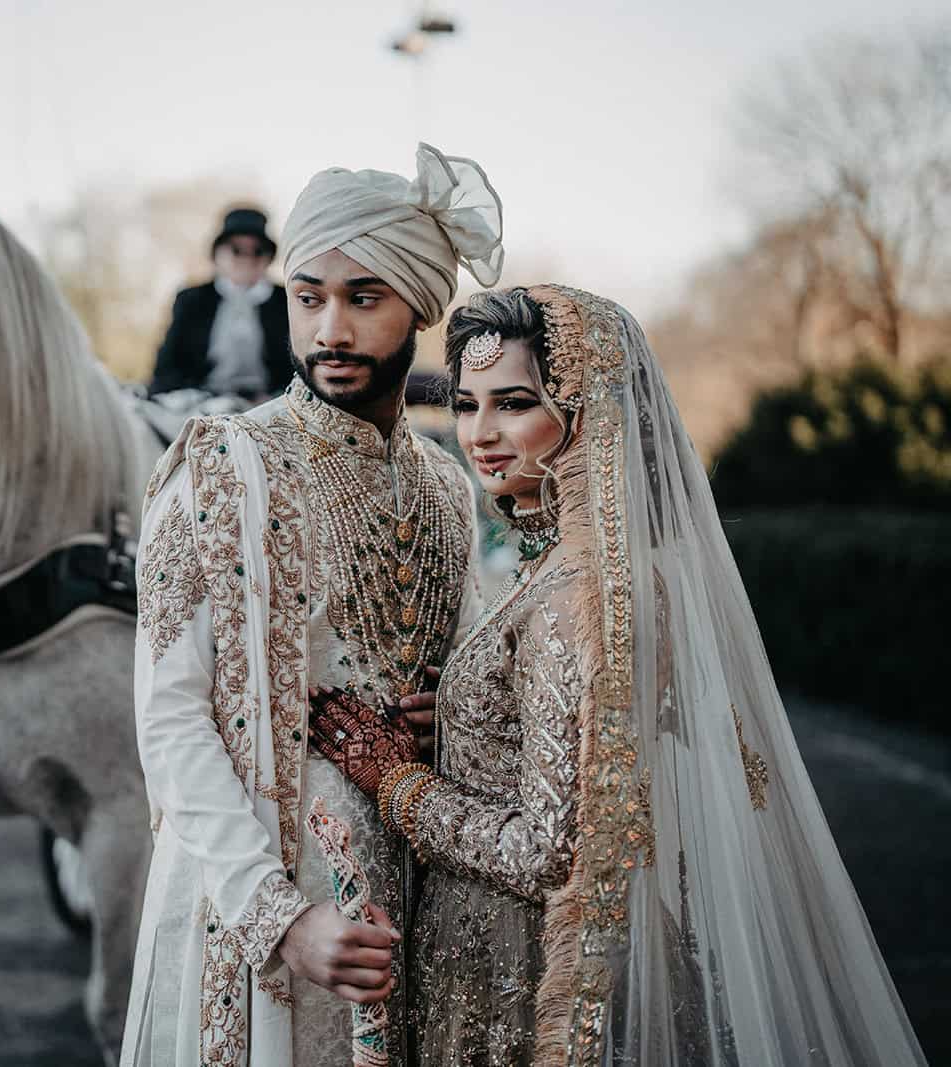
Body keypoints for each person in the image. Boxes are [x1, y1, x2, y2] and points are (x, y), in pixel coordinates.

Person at [307, 286, 929, 1065]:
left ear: (586, 413)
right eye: (466, 405)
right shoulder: (572, 569)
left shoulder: (579, 593)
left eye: (514, 403)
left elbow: (549, 850)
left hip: (523, 976)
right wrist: (465, 726)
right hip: (503, 952)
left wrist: (396, 781)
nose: (480, 433)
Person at [120, 145, 504, 1067]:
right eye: (308, 297)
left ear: (420, 307)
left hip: (427, 909)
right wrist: (281, 919)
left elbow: (477, 681)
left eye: (364, 298)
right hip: (264, 924)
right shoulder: (222, 467)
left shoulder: (448, 488)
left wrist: (453, 710)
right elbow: (169, 718)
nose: (331, 328)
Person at [147, 207, 293, 399]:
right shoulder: (192, 300)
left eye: (258, 251)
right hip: (201, 400)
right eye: (236, 250)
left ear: (268, 258)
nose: (247, 258)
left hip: (273, 401)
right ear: (217, 254)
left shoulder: (287, 301)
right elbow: (167, 367)